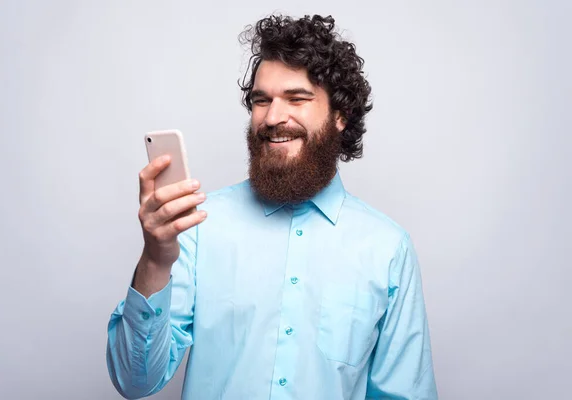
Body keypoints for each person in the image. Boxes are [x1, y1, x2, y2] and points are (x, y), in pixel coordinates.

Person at [106, 14, 438, 400]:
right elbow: (135, 381)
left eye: (296, 98)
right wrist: (156, 259)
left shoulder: (387, 248)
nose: (273, 118)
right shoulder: (199, 225)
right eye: (261, 101)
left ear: (340, 116)